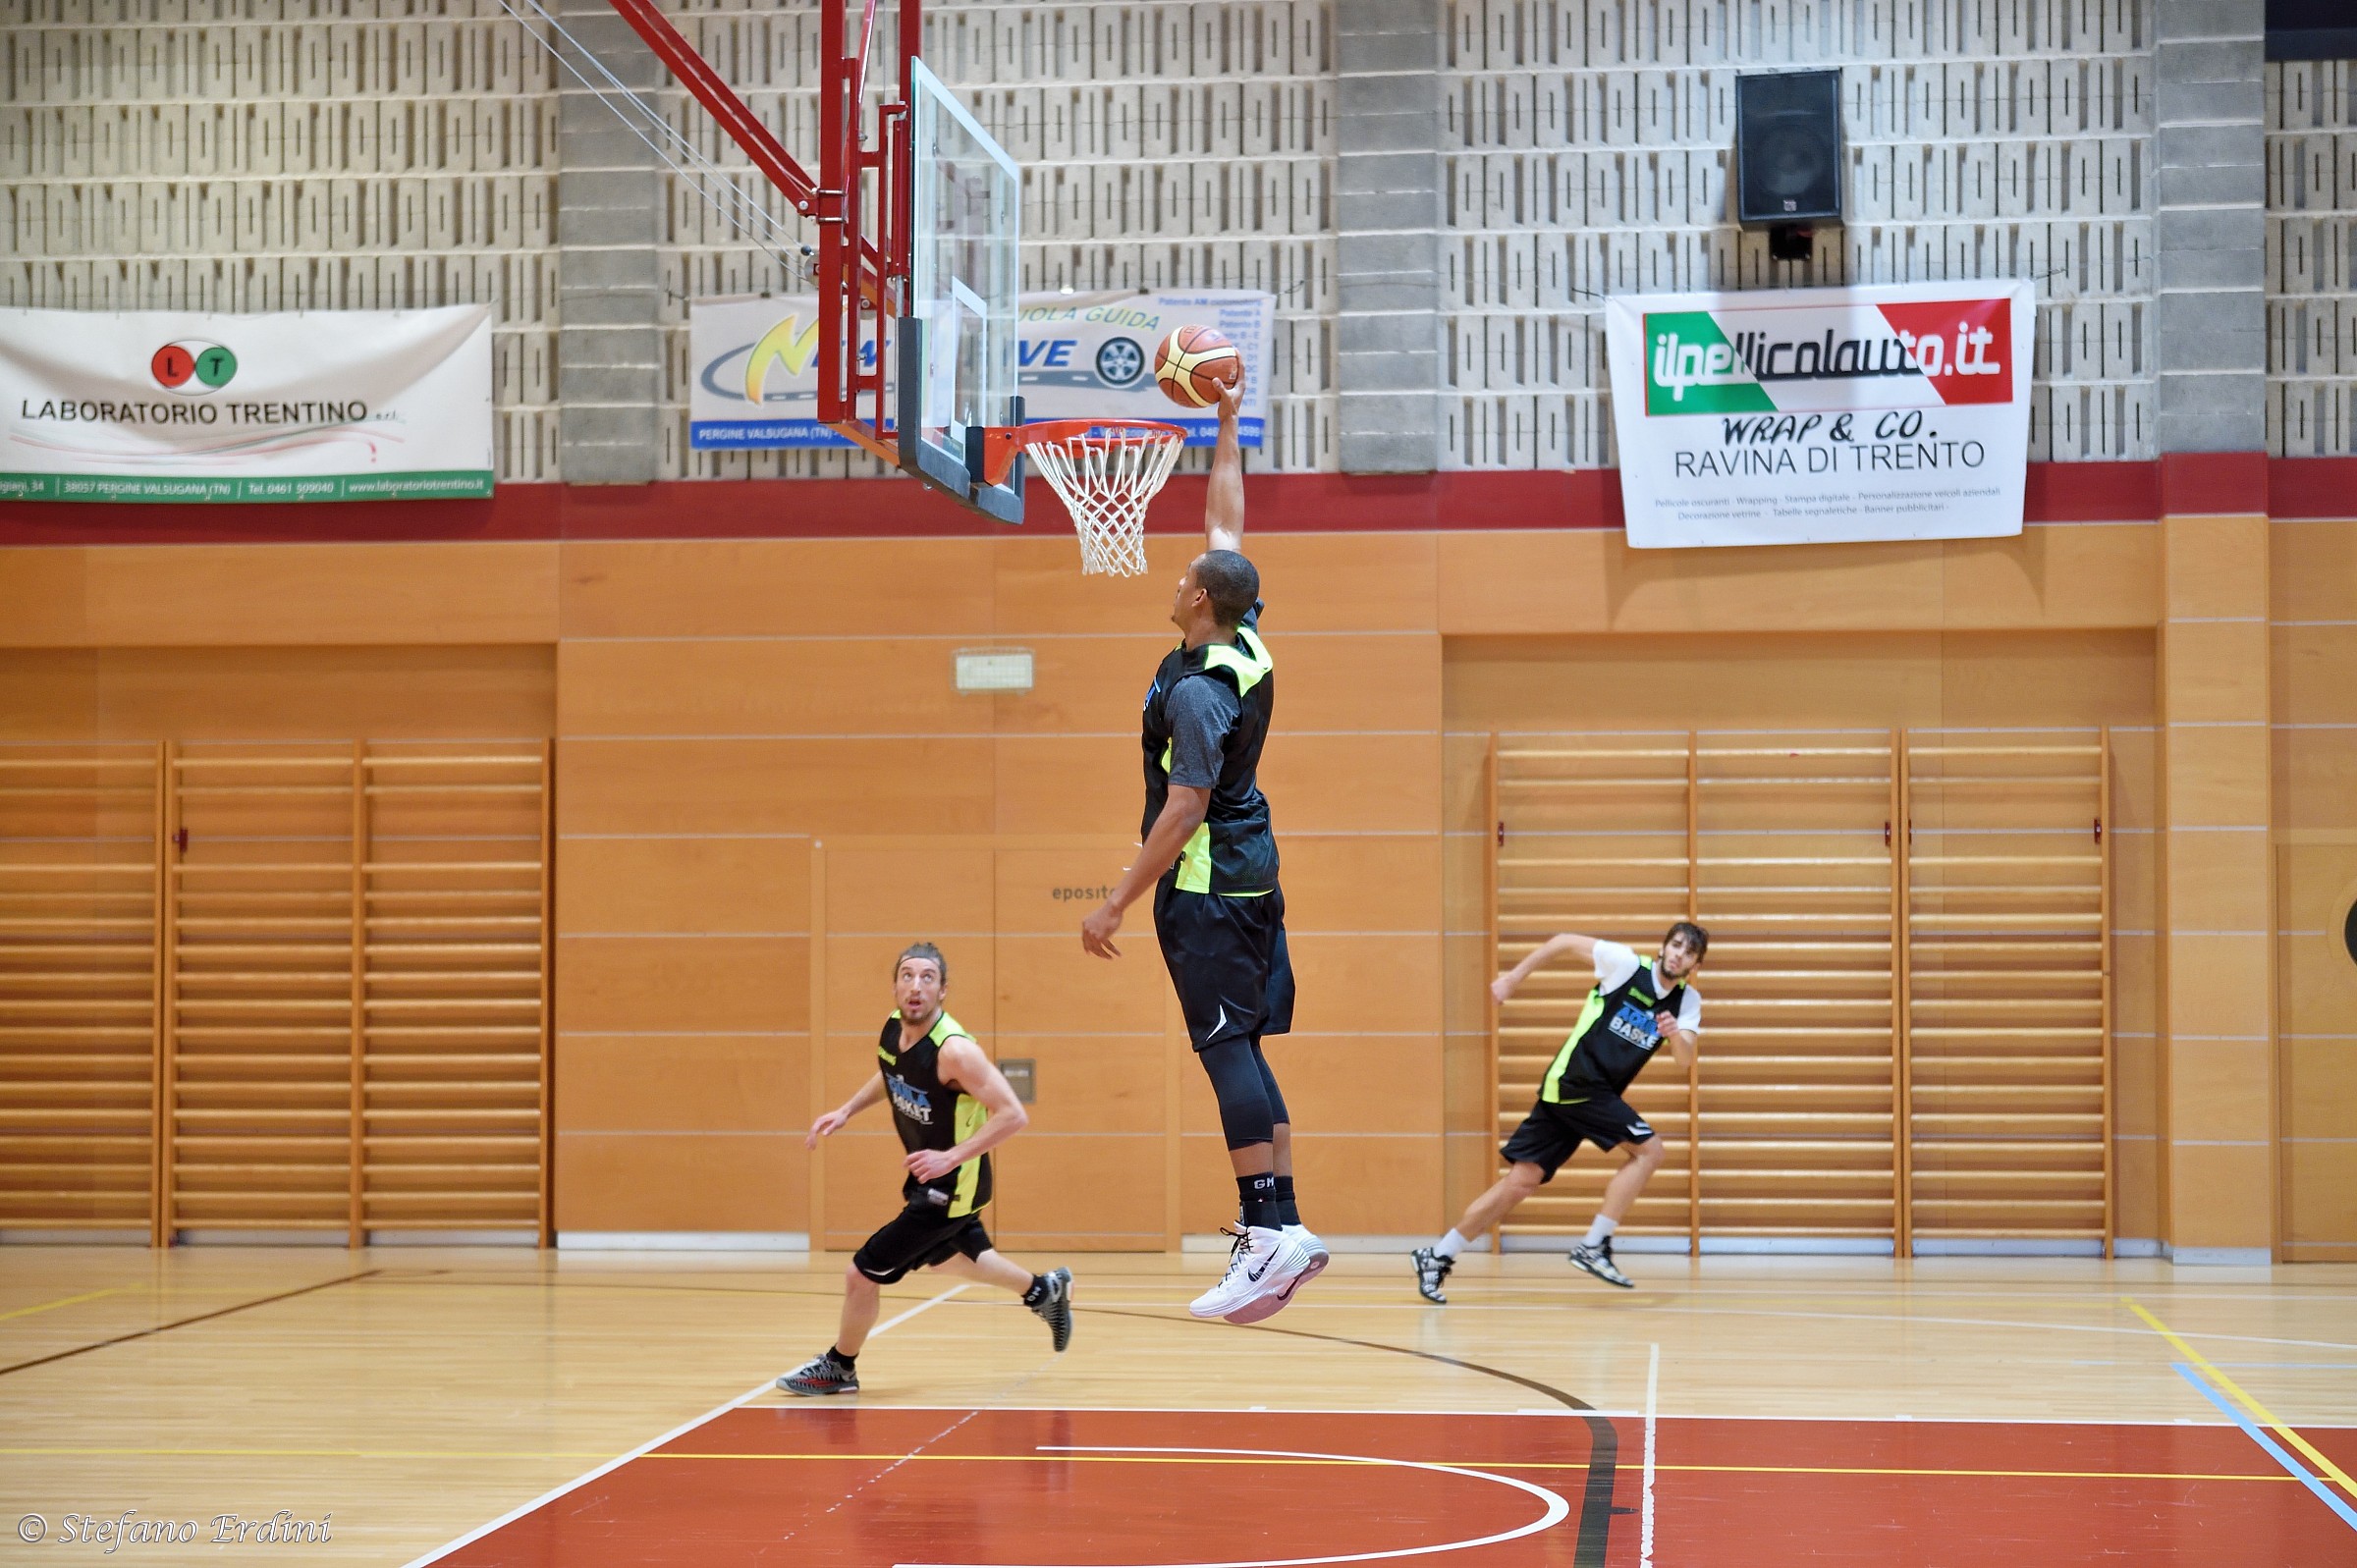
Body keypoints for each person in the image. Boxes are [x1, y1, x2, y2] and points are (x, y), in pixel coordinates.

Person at [1080, 378, 1325, 1325]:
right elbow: (1228, 521)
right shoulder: (1238, 636)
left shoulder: (1198, 694)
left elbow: (1181, 809)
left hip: (1207, 882)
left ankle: (1264, 1237)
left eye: (1184, 578)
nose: (1174, 578)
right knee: (1248, 1046)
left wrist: (1115, 900)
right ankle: (1286, 1225)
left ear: (1203, 606)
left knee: (1223, 1047)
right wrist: (1225, 426)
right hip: (1252, 873)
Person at [778, 942, 1072, 1394]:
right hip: (929, 1177)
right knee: (951, 1260)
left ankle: (840, 1366)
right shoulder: (895, 1030)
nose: (916, 986)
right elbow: (892, 1072)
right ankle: (1043, 1290)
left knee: (862, 1273)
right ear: (895, 986)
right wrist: (847, 1110)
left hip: (950, 1185)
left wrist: (950, 1157)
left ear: (943, 990)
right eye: (908, 976)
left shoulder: (955, 1051)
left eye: (928, 977)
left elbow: (1014, 1114)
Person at [1411, 924, 1707, 1301]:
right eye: (1676, 944)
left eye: (1689, 952)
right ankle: (1594, 1245)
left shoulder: (1686, 1002)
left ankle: (1437, 1256)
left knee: (1520, 1183)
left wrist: (1674, 1036)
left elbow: (1685, 1060)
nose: (1679, 954)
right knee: (1650, 1150)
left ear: (1695, 963)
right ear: (1665, 946)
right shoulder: (1626, 965)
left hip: (1587, 1096)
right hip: (1576, 1082)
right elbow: (1563, 941)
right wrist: (1513, 978)